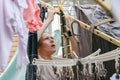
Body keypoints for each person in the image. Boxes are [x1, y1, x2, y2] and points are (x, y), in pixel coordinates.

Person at [36, 8, 78, 80]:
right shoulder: (38, 61)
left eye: (52, 38)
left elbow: (73, 51)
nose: (52, 40)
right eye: (46, 38)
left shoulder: (57, 60)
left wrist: (69, 33)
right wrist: (49, 19)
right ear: (38, 47)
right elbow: (33, 41)